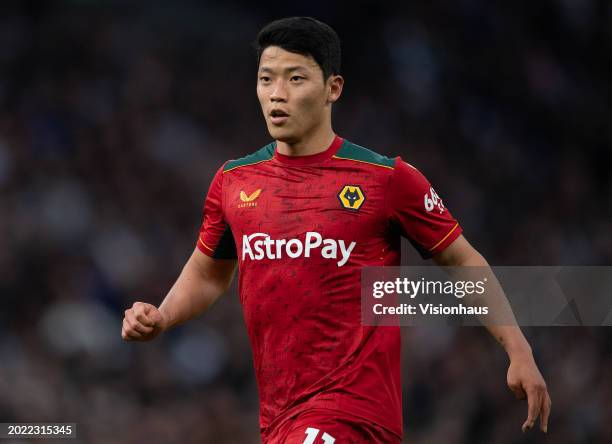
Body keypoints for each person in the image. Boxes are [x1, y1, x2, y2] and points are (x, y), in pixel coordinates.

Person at [122, 16, 551, 443]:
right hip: (280, 418)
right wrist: (163, 316)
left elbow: (462, 261)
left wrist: (518, 350)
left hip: (353, 414)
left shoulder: (387, 179)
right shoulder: (234, 182)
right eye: (266, 79)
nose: (277, 94)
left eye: (295, 79)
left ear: (333, 89)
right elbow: (208, 273)